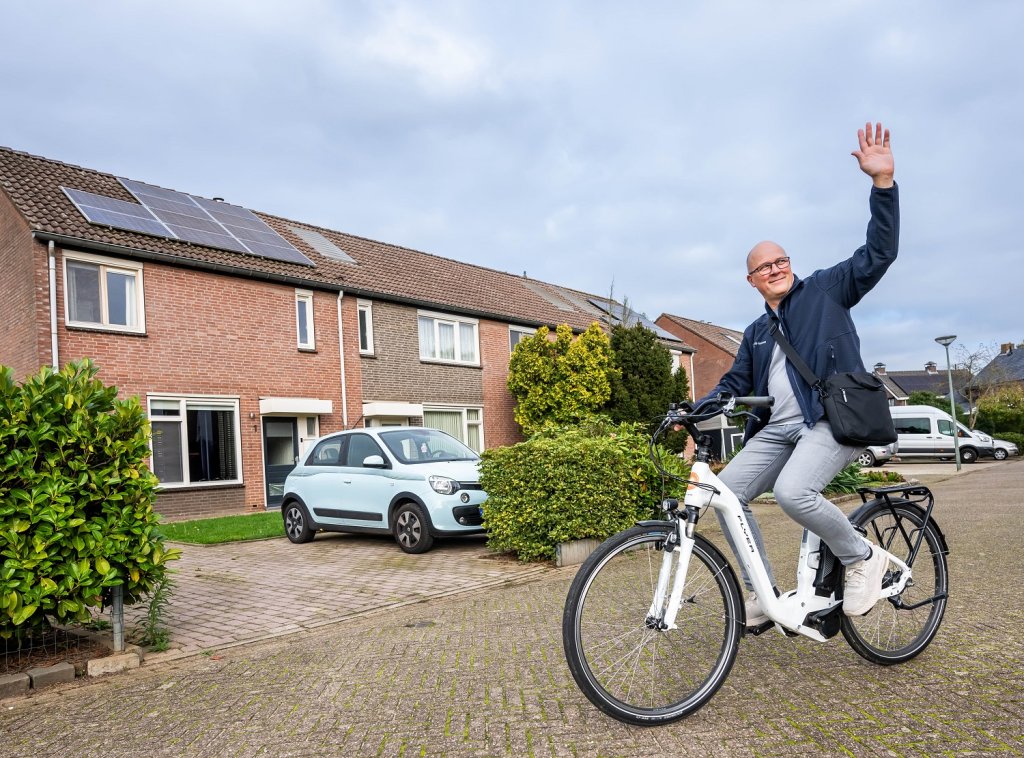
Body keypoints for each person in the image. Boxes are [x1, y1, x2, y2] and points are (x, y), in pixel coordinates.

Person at [698, 122, 899, 621]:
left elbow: (879, 254)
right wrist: (694, 409)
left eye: (782, 260)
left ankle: (863, 558)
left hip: (833, 421)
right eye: (765, 266)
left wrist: (882, 186)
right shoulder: (757, 332)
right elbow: (734, 385)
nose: (776, 268)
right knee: (725, 495)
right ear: (751, 280)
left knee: (793, 492)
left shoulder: (827, 291)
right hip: (780, 430)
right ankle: (761, 593)